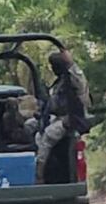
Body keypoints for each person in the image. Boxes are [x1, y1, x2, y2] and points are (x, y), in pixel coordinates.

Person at [35, 48, 91, 182]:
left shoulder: (73, 79)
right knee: (36, 131)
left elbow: (78, 78)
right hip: (57, 117)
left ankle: (38, 177)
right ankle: (42, 166)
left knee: (47, 137)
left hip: (70, 119)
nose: (53, 69)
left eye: (56, 65)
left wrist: (70, 63)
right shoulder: (59, 82)